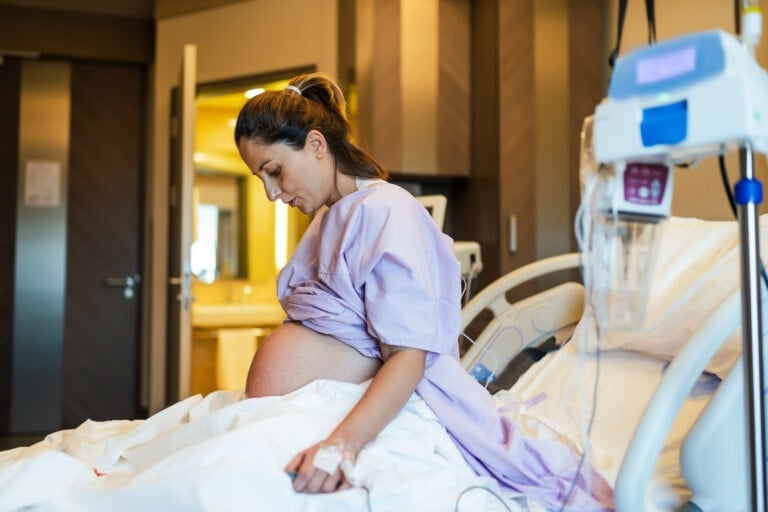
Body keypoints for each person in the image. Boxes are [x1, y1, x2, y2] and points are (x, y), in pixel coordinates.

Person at [234, 72, 614, 510]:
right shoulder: (330, 217)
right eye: (261, 177)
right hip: (308, 407)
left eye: (274, 171)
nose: (269, 192)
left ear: (316, 145)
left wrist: (341, 446)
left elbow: (407, 357)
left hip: (357, 414)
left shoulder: (384, 211)